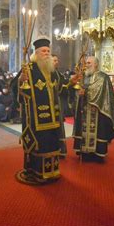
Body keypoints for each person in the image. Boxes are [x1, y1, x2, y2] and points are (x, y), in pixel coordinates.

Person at [15, 38, 77, 185]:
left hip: (53, 118)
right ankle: (36, 172)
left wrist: (71, 82)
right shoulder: (28, 69)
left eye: (48, 51)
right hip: (36, 118)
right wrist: (20, 81)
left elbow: (60, 88)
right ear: (36, 53)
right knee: (40, 144)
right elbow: (17, 90)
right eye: (44, 51)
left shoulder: (52, 71)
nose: (47, 53)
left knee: (52, 144)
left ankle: (52, 171)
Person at [73, 56, 114, 162]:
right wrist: (79, 94)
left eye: (89, 63)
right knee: (83, 130)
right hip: (84, 109)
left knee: (99, 131)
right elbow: (77, 91)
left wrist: (88, 93)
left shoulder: (103, 77)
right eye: (86, 63)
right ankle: (84, 152)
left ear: (96, 64)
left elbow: (106, 96)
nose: (87, 65)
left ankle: (97, 154)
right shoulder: (83, 76)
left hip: (99, 110)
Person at [53, 54, 70, 157]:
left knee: (59, 125)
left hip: (57, 103)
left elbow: (63, 86)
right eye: (54, 60)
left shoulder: (58, 74)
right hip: (50, 104)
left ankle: (60, 150)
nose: (57, 62)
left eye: (57, 60)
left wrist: (71, 82)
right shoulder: (48, 73)